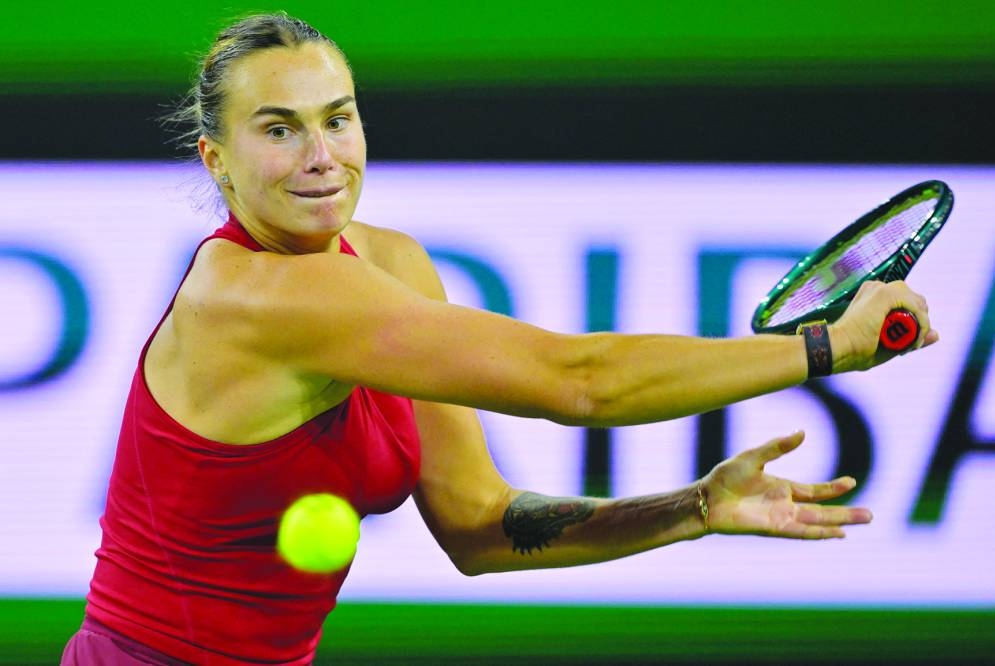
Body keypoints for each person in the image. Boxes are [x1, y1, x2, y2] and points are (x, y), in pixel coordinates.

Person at [61, 12, 937, 666]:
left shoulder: (391, 263)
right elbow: (579, 381)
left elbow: (481, 526)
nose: (322, 155)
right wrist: (827, 347)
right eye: (279, 130)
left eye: (338, 117)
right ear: (217, 159)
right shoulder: (256, 295)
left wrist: (695, 508)